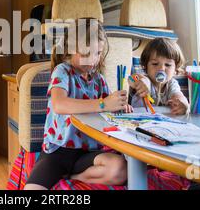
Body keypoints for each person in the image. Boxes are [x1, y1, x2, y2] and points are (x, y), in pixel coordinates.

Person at [24, 18, 133, 190]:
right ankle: (66, 174)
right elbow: (60, 104)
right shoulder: (62, 71)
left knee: (120, 169)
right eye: (85, 54)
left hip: (87, 153)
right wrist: (104, 103)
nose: (92, 60)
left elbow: (107, 114)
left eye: (97, 53)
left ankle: (73, 177)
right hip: (57, 152)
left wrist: (120, 107)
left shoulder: (98, 79)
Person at [129, 38, 189, 115]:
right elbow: (131, 79)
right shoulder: (144, 81)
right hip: (140, 119)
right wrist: (142, 81)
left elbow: (178, 96)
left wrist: (183, 103)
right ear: (145, 66)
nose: (161, 69)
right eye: (155, 64)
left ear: (175, 69)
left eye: (168, 65)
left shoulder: (171, 84)